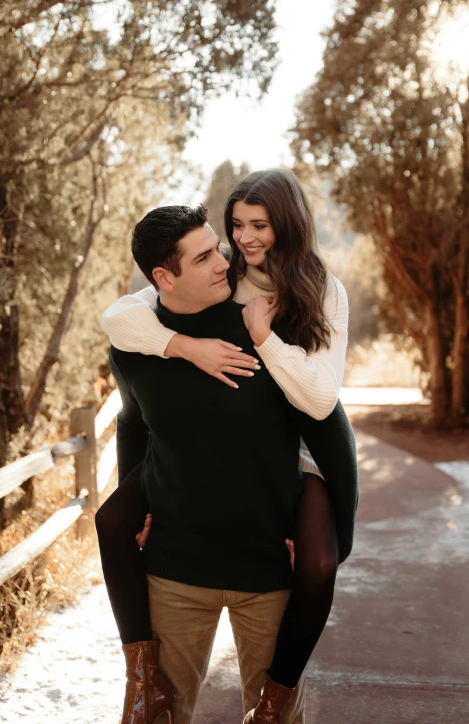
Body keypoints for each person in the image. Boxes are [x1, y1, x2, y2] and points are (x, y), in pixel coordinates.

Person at [97, 170, 357, 724]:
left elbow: (323, 409)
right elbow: (121, 322)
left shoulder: (321, 293)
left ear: (287, 225)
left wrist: (264, 338)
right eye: (235, 226)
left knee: (319, 560)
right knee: (110, 519)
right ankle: (140, 675)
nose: (240, 242)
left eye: (257, 226)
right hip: (182, 551)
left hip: (301, 438)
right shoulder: (227, 280)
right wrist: (185, 346)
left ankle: (275, 699)